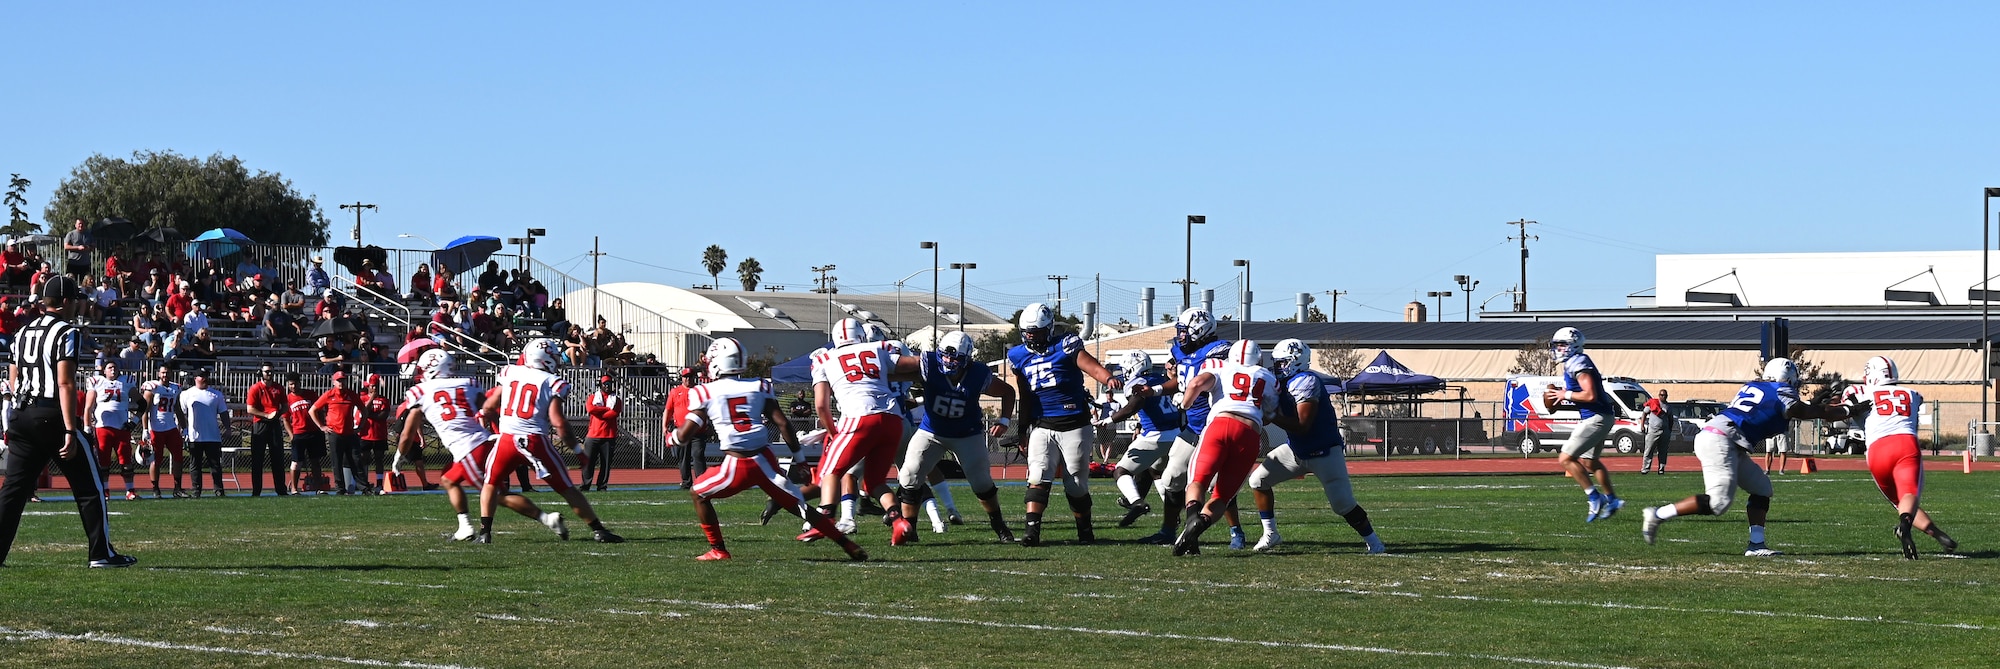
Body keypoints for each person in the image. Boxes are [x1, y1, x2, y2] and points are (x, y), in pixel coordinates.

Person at [677, 337, 869, 561]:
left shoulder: (704, 392)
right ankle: (847, 544)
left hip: (738, 463)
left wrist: (673, 437)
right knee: (799, 507)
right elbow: (783, 423)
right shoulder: (759, 385)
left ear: (718, 361)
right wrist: (800, 460)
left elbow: (685, 434)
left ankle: (718, 549)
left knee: (698, 493)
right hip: (765, 459)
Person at [1641, 358, 1844, 556]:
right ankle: (1658, 514)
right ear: (1788, 378)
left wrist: (1813, 404)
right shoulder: (1781, 391)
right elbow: (1800, 410)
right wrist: (1846, 410)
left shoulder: (1756, 388)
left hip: (1725, 439)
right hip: (1721, 439)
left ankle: (1756, 544)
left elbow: (1789, 408)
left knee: (1762, 489)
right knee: (1717, 503)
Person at [0, 274, 134, 568]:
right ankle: (101, 553)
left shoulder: (22, 332)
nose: (78, 306)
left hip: (21, 413)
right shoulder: (66, 332)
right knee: (90, 487)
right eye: (75, 300)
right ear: (64, 302)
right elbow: (65, 383)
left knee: (13, 490)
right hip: (50, 413)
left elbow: (14, 376)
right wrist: (71, 430)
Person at [400, 349, 568, 541]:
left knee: (498, 495)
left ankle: (547, 519)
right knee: (448, 479)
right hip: (483, 442)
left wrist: (399, 458)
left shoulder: (421, 391)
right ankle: (464, 527)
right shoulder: (467, 383)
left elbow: (407, 433)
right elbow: (488, 409)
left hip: (469, 449)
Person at [475, 338, 623, 544]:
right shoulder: (552, 382)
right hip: (535, 441)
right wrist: (578, 450)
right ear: (545, 359)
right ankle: (598, 530)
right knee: (567, 488)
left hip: (507, 440)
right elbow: (558, 422)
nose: (556, 359)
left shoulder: (511, 372)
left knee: (490, 484)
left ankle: (485, 533)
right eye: (553, 356)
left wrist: (488, 420)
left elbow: (489, 407)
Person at [1245, 339, 1385, 554]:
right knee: (1258, 480)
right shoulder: (1280, 384)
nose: (1278, 367)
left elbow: (1302, 425)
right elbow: (1264, 419)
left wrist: (1271, 414)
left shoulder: (1306, 381)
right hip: (1296, 450)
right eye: (1276, 363)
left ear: (1296, 361)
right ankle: (1271, 534)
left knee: (1343, 505)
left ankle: (1374, 542)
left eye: (1282, 363)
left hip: (1324, 451)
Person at [1005, 303, 1123, 547]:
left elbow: (1091, 366)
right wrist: (1022, 430)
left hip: (1074, 424)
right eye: (1028, 332)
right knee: (1037, 474)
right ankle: (1031, 532)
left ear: (1048, 329)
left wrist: (1108, 378)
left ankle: (1085, 530)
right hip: (1042, 424)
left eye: (1036, 332)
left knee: (1076, 484)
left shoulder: (1065, 345)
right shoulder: (1017, 355)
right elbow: (1025, 396)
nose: (1032, 336)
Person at [890, 331, 1017, 542]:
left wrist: (1004, 420)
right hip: (932, 431)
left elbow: (1008, 392)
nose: (949, 361)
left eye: (955, 357)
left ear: (967, 359)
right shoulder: (928, 364)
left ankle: (999, 524)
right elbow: (893, 367)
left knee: (982, 483)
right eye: (945, 355)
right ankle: (909, 530)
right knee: (909, 475)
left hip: (966, 434)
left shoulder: (978, 374)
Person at [802, 318, 920, 544]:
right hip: (893, 419)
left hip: (858, 416)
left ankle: (825, 519)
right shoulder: (879, 348)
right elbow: (913, 364)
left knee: (829, 472)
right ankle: (899, 522)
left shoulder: (824, 358)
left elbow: (820, 405)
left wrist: (833, 432)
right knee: (874, 482)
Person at [1827, 356, 1958, 559]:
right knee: (1909, 495)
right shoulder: (1912, 394)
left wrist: (1840, 395)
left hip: (1877, 451)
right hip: (1905, 444)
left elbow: (1842, 411)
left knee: (1901, 502)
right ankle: (1905, 527)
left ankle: (1938, 534)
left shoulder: (1859, 392)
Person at [1144, 307, 1246, 549]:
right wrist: (1156, 390)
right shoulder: (1181, 352)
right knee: (1171, 478)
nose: (1180, 337)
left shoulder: (1220, 351)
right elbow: (1181, 381)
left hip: (1215, 427)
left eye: (1184, 332)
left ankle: (1236, 532)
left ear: (1200, 330)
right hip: (1192, 428)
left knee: (1216, 485)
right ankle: (1170, 530)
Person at [1170, 339, 1278, 556]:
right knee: (1222, 495)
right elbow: (1269, 415)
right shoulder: (1267, 377)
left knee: (1197, 481)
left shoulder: (1219, 366)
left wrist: (1184, 404)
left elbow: (1195, 384)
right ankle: (1199, 525)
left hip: (1220, 424)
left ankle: (1192, 521)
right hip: (1249, 434)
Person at [1540, 327, 1624, 522]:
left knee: (1565, 458)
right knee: (1589, 462)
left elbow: (1590, 394)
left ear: (1573, 345)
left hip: (1596, 418)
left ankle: (1595, 498)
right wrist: (1563, 395)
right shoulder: (1574, 362)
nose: (1558, 349)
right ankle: (1612, 500)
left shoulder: (1578, 362)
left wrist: (1565, 394)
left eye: (1561, 345)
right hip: (1599, 416)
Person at [1103, 350, 1181, 529]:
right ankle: (1172, 516)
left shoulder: (1137, 383)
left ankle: (1137, 501)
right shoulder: (1160, 379)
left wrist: (1109, 419)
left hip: (1155, 435)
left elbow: (1133, 406)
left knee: (1120, 471)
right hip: (1175, 433)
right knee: (1156, 472)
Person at [85, 360, 139, 500]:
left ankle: (130, 490)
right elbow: (88, 407)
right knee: (103, 462)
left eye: (115, 367)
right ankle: (105, 490)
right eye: (110, 367)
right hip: (102, 428)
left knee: (126, 461)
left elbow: (142, 403)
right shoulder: (96, 382)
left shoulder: (126, 381)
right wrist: (87, 427)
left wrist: (134, 422)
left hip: (122, 428)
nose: (113, 370)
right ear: (104, 371)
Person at [311, 370, 369, 494]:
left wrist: (360, 427)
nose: (341, 383)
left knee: (356, 460)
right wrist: (322, 426)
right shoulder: (329, 395)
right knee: (336, 462)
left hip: (349, 433)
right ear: (334, 382)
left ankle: (364, 487)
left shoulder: (351, 394)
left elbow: (364, 410)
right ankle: (340, 488)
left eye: (343, 380)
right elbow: (313, 410)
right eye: (338, 380)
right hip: (335, 433)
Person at [139, 364, 188, 498]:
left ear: (171, 373)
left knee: (178, 457)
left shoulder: (175, 388)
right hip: (156, 428)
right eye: (163, 373)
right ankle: (155, 488)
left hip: (171, 427)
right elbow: (145, 410)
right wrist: (145, 429)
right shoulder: (152, 387)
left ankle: (177, 488)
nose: (165, 375)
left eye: (167, 372)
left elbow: (177, 409)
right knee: (156, 460)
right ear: (158, 374)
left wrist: (185, 428)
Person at [179, 368, 229, 497]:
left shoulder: (216, 394)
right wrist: (184, 431)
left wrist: (227, 428)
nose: (204, 378)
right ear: (195, 378)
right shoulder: (187, 394)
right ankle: (196, 489)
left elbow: (223, 413)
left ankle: (219, 489)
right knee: (195, 464)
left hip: (213, 436)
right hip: (195, 437)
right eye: (201, 376)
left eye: (206, 376)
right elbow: (182, 415)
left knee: (215, 465)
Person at [244, 364, 291, 497]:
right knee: (257, 459)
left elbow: (285, 406)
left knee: (278, 457)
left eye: (271, 372)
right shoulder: (255, 388)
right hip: (260, 424)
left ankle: (281, 490)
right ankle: (256, 490)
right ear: (261, 373)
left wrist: (277, 414)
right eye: (266, 372)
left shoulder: (278, 388)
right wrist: (266, 415)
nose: (269, 374)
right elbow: (250, 409)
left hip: (274, 424)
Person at [661, 369, 705, 489]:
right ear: (682, 378)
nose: (688, 379)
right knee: (683, 457)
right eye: (686, 377)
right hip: (681, 430)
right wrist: (664, 426)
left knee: (698, 454)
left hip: (697, 430)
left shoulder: (699, 391)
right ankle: (686, 481)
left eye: (690, 377)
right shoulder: (676, 391)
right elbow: (668, 410)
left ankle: (701, 481)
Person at [284, 373, 326, 494]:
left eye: (295, 383)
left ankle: (319, 488)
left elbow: (320, 411)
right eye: (291, 384)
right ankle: (294, 489)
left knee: (315, 461)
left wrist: (321, 426)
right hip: (299, 433)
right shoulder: (288, 399)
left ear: (299, 382)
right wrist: (291, 435)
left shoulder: (311, 394)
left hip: (314, 432)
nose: (293, 386)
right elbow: (286, 419)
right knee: (296, 462)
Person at [582, 374, 621, 491]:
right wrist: (606, 409)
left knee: (606, 463)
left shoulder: (616, 400)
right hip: (593, 435)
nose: (607, 386)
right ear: (601, 385)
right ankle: (585, 485)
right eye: (605, 384)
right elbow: (590, 409)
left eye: (609, 384)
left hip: (609, 435)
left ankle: (602, 485)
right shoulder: (593, 397)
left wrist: (600, 413)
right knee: (588, 463)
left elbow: (613, 414)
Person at [359, 374, 394, 492]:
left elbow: (383, 416)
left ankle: (379, 484)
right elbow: (363, 411)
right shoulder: (363, 398)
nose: (374, 388)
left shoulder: (384, 400)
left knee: (379, 459)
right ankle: (364, 483)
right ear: (368, 386)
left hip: (380, 434)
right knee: (364, 458)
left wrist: (370, 415)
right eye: (372, 386)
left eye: (376, 386)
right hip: (365, 434)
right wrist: (371, 399)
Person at [1641, 389, 1672, 474]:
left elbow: (1670, 419)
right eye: (1662, 395)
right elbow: (1644, 413)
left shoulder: (1668, 406)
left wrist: (1669, 430)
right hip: (1653, 431)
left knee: (1663, 451)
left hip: (1664, 431)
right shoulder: (1653, 403)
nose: (1663, 397)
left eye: (1665, 395)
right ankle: (1645, 469)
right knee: (1649, 450)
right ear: (1659, 395)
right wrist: (1642, 425)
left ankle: (1661, 469)